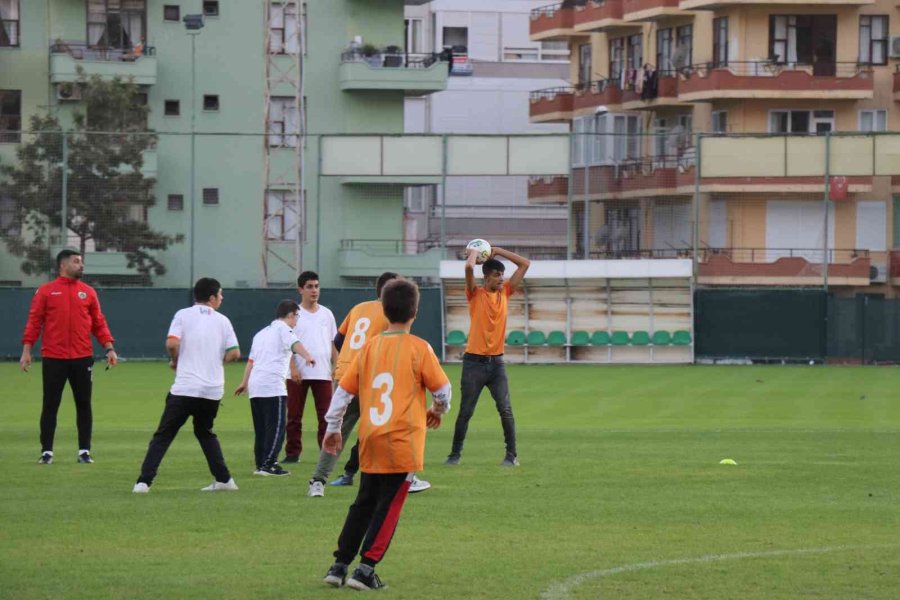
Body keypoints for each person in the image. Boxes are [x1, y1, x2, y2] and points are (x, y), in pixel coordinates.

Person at [321, 278, 451, 590]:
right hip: (402, 440)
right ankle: (365, 569)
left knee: (364, 501)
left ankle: (339, 565)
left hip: (370, 437)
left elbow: (342, 394)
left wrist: (334, 428)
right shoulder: (419, 349)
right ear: (415, 312)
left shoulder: (368, 348)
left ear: (384, 310)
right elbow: (443, 390)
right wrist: (437, 410)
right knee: (389, 505)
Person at [132, 278, 240, 493]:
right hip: (212, 390)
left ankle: (144, 482)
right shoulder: (223, 321)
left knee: (164, 435)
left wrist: (175, 360)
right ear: (211, 298)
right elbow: (235, 353)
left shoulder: (182, 315)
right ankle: (225, 480)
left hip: (186, 388)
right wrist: (218, 362)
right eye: (220, 294)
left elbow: (172, 343)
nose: (222, 298)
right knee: (205, 432)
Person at [21, 249, 117, 465]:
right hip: (54, 358)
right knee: (50, 404)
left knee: (84, 404)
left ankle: (84, 451)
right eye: (76, 261)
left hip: (83, 358)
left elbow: (98, 322)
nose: (81, 265)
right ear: (63, 265)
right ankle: (47, 452)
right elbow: (34, 321)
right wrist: (27, 350)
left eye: (81, 261)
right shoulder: (46, 291)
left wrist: (109, 347)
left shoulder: (88, 292)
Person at [307, 271, 397, 497]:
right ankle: (404, 477)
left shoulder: (358, 308)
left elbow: (337, 341)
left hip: (345, 374)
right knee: (385, 427)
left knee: (338, 430)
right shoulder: (392, 313)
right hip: (369, 377)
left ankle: (318, 481)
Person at [446, 244, 530, 467]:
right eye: (496, 275)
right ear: (486, 277)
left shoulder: (506, 292)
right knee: (466, 411)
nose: (501, 279)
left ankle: (511, 456)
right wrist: (474, 252)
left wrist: (499, 250)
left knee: (505, 409)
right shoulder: (475, 294)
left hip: (497, 365)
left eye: (502, 274)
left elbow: (525, 264)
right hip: (473, 363)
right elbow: (468, 268)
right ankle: (454, 455)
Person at [234, 300, 316, 477]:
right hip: (272, 386)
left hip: (256, 387)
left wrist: (244, 382)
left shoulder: (260, 333)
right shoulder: (284, 329)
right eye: (297, 316)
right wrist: (308, 356)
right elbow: (295, 344)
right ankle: (269, 465)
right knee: (277, 428)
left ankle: (260, 463)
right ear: (291, 315)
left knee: (262, 429)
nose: (297, 321)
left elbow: (251, 361)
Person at [283, 271, 338, 464]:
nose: (314, 290)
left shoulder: (327, 314)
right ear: (301, 290)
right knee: (294, 416)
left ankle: (326, 453)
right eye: (309, 287)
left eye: (316, 286)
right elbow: (287, 343)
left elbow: (332, 343)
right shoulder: (294, 315)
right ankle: (292, 453)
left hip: (322, 372)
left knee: (326, 416)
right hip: (298, 372)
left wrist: (336, 366)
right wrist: (293, 368)